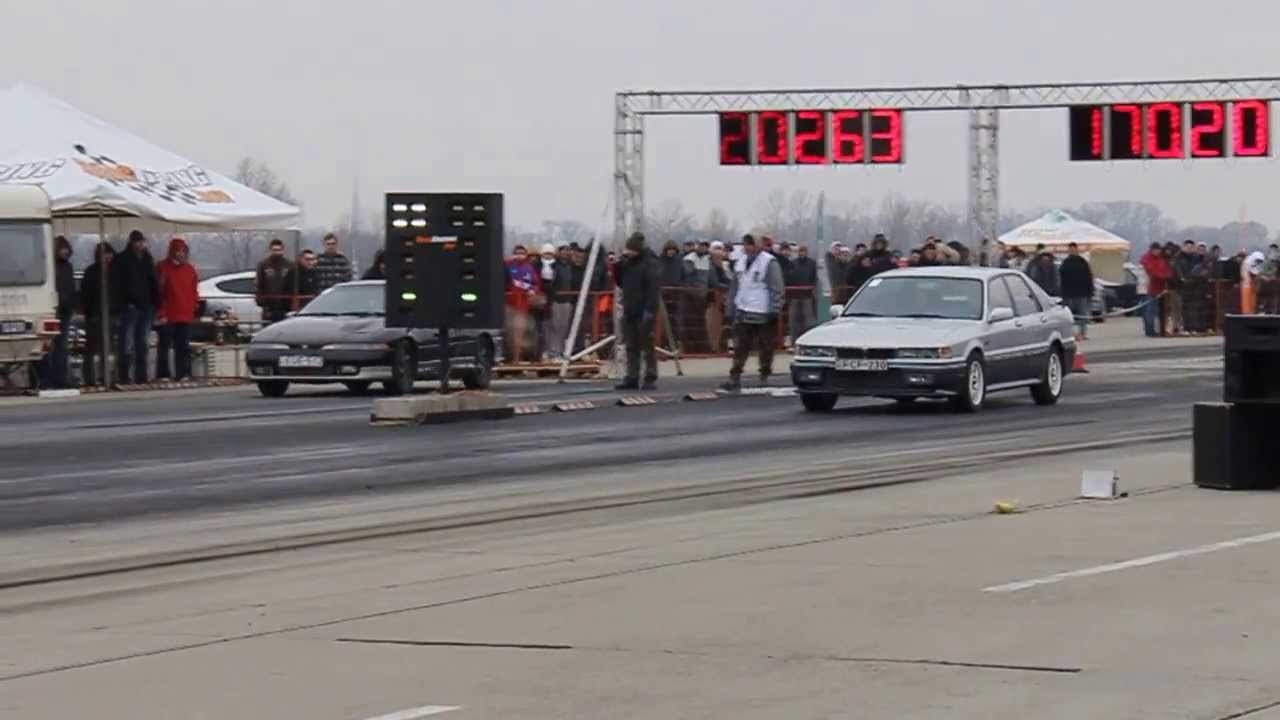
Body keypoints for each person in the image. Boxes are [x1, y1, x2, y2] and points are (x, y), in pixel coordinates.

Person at [722, 234, 785, 392]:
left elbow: (777, 287)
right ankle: (734, 376)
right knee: (740, 346)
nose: (747, 247)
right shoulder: (741, 262)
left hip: (763, 310)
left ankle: (764, 374)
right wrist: (731, 307)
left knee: (766, 346)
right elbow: (735, 286)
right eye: (745, 244)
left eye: (750, 244)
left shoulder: (769, 262)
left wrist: (775, 308)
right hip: (743, 309)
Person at [614, 232, 660, 390]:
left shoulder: (649, 264)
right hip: (630, 308)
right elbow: (620, 282)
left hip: (644, 309)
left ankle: (650, 376)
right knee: (631, 345)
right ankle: (632, 376)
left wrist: (650, 309)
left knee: (647, 345)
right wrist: (618, 266)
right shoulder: (628, 264)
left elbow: (653, 288)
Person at [112, 230, 159, 384]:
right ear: (131, 243)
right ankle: (124, 375)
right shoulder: (122, 259)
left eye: (142, 242)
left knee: (143, 343)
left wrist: (156, 303)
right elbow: (118, 284)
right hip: (129, 306)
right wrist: (122, 303)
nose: (140, 244)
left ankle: (141, 376)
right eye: (137, 242)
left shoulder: (147, 259)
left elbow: (153, 282)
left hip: (146, 306)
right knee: (126, 343)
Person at [154, 237, 199, 381]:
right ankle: (163, 373)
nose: (181, 254)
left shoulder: (190, 270)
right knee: (164, 346)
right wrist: (161, 312)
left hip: (185, 313)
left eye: (183, 251)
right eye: (178, 251)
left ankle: (183, 373)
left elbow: (194, 291)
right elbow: (158, 292)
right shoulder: (162, 268)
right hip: (168, 313)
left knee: (183, 346)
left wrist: (193, 306)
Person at [80, 242, 116, 387]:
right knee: (92, 348)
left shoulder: (114, 272)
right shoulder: (91, 272)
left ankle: (105, 376)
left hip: (110, 314)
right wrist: (89, 311)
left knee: (107, 348)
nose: (107, 257)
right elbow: (85, 294)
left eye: (109, 254)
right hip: (94, 315)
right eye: (104, 254)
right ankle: (89, 378)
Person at [42, 236, 76, 389]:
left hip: (65, 310)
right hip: (53, 310)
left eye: (67, 249)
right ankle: (46, 379)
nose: (66, 252)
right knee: (49, 346)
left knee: (62, 346)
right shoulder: (50, 266)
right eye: (63, 249)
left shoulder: (68, 266)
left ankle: (60, 379)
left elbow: (70, 287)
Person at [505, 245, 542, 362]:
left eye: (522, 253)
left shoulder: (529, 268)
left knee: (521, 332)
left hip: (523, 305)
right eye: (517, 253)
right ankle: (511, 357)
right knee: (510, 332)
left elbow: (535, 284)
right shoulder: (508, 266)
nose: (519, 255)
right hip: (510, 304)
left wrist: (533, 290)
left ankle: (519, 357)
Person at [1059, 242, 1094, 339]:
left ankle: (1083, 334)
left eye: (1073, 249)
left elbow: (1089, 277)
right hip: (1069, 294)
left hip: (1082, 293)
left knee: (1083, 314)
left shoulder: (1082, 262)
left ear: (1076, 250)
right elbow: (1062, 279)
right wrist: (1062, 293)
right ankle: (1070, 335)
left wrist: (1090, 291)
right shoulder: (1065, 263)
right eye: (1070, 250)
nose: (1072, 251)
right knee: (1070, 316)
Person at [256, 238, 294, 324]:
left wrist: (291, 303)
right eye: (274, 250)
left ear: (283, 250)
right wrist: (262, 302)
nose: (277, 252)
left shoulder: (289, 265)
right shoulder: (263, 265)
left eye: (279, 250)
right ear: (270, 250)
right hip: (269, 305)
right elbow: (259, 284)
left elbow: (293, 284)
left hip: (285, 305)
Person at [786, 244, 818, 343]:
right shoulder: (792, 263)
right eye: (800, 251)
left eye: (804, 251)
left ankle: (809, 341)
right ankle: (793, 341)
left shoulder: (812, 263)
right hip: (794, 295)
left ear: (807, 252)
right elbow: (788, 277)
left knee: (808, 319)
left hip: (807, 295)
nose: (802, 253)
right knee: (793, 319)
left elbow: (814, 278)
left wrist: (813, 288)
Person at [1139, 242, 1171, 336]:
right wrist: (1164, 276)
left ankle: (1157, 329)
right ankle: (1150, 330)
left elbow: (1166, 271)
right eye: (1156, 250)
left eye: (1159, 250)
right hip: (1149, 288)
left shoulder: (1160, 259)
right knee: (1150, 310)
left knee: (1156, 311)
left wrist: (1165, 276)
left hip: (1160, 288)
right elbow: (1152, 273)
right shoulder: (1147, 259)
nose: (1157, 251)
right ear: (1152, 250)